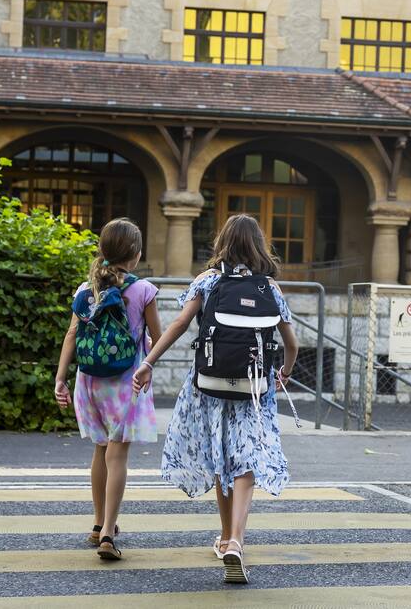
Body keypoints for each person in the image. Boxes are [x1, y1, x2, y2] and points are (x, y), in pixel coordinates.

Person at [132, 214, 297, 584]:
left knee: (221, 457)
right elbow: (291, 343)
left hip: (207, 385)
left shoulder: (207, 282)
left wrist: (147, 362)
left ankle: (226, 539)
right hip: (254, 388)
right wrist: (284, 372)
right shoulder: (269, 287)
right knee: (247, 459)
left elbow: (177, 326)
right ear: (258, 246)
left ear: (222, 242)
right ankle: (236, 540)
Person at [55, 218, 160, 561]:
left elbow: (72, 335)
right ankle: (109, 536)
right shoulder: (142, 290)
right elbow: (159, 339)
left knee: (100, 451)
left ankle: (98, 523)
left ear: (102, 250)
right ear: (136, 253)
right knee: (118, 454)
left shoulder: (85, 290)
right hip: (125, 382)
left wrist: (60, 378)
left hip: (88, 379)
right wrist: (146, 354)